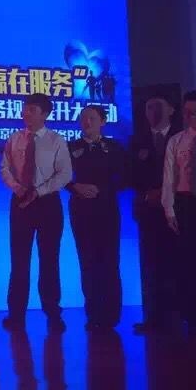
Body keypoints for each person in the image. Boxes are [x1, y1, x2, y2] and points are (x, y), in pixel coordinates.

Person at [0, 93, 73, 331]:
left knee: (49, 259)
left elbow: (64, 174)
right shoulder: (15, 139)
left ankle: (52, 311)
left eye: (32, 110)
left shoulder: (56, 140)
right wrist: (19, 188)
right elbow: (5, 168)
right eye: (25, 109)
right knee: (19, 259)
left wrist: (39, 191)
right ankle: (15, 313)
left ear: (45, 114)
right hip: (20, 202)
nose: (26, 113)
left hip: (47, 203)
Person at [66, 105, 127, 331]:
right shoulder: (70, 147)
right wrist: (75, 186)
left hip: (107, 208)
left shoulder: (114, 147)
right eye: (83, 118)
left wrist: (102, 189)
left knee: (110, 261)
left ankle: (112, 314)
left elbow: (125, 177)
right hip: (80, 209)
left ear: (103, 121)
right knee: (87, 261)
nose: (87, 122)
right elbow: (60, 175)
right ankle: (93, 313)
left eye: (92, 118)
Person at [129, 95, 179, 334]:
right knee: (150, 265)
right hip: (147, 209)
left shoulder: (181, 137)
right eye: (149, 107)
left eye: (159, 106)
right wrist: (147, 193)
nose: (153, 111)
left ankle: (178, 317)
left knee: (176, 263)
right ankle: (152, 318)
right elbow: (129, 173)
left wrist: (165, 192)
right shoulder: (136, 141)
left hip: (177, 211)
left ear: (171, 110)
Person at [162, 89, 196, 337]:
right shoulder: (176, 141)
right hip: (187, 203)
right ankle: (194, 318)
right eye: (188, 113)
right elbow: (169, 179)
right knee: (190, 263)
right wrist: (169, 210)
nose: (192, 118)